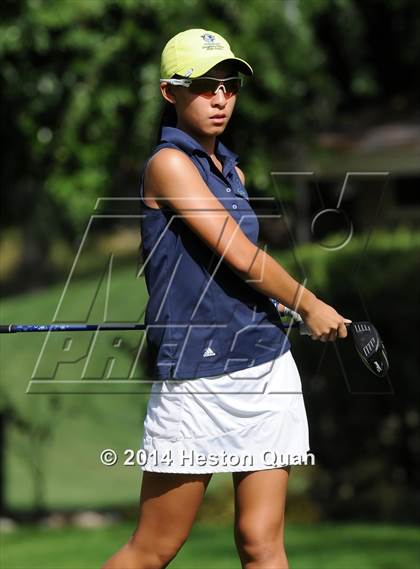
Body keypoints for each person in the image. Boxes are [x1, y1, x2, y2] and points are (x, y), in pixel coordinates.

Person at [102, 28, 351, 569]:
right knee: (154, 549)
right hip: (196, 377)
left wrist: (283, 306)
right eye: (204, 85)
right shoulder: (168, 166)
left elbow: (240, 273)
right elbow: (239, 256)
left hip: (264, 367)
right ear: (171, 92)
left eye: (229, 85)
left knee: (262, 544)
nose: (220, 98)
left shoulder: (230, 170)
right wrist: (309, 302)